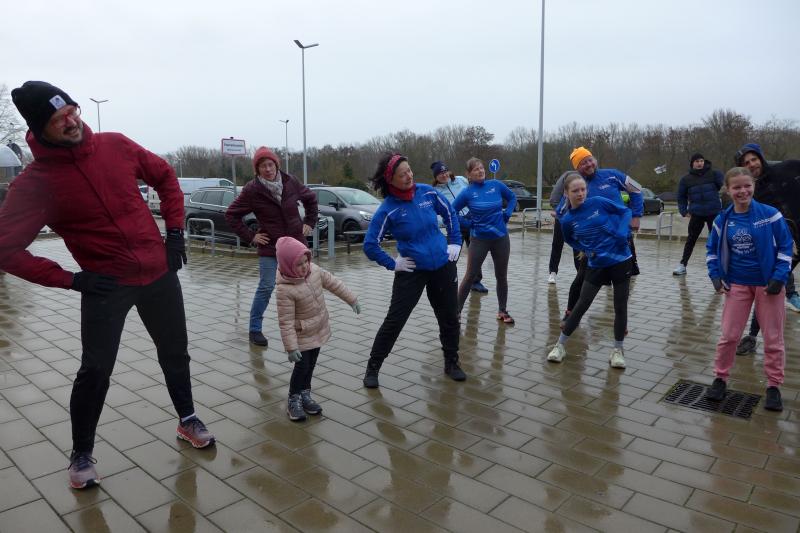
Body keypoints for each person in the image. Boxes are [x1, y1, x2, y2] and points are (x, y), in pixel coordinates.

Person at [0, 81, 215, 489]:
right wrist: (70, 279)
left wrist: (174, 233)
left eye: (72, 111)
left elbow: (165, 176)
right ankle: (81, 454)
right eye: (59, 119)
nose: (72, 121)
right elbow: (6, 249)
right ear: (40, 128)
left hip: (158, 273)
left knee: (175, 352)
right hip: (105, 285)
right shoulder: (35, 184)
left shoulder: (115, 145)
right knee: (95, 370)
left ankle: (187, 419)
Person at [362, 152, 465, 388]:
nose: (409, 176)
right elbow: (370, 245)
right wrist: (393, 264)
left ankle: (452, 362)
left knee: (450, 316)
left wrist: (455, 242)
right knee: (395, 320)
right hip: (411, 270)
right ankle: (373, 367)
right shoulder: (388, 209)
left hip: (442, 265)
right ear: (391, 180)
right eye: (402, 174)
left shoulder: (427, 193)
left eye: (409, 170)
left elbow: (450, 213)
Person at [704, 167, 793, 411]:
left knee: (773, 339)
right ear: (728, 190)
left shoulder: (770, 214)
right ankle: (720, 378)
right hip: (737, 284)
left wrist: (779, 277)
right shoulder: (722, 219)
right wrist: (715, 275)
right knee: (729, 336)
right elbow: (711, 250)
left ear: (753, 186)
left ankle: (773, 385)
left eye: (747, 186)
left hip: (768, 285)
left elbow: (786, 246)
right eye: (737, 187)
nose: (743, 191)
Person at [225, 146, 318, 347]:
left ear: (276, 165)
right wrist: (251, 236)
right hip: (271, 247)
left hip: (295, 245)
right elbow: (231, 215)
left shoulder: (290, 181)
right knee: (266, 286)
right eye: (262, 166)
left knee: (304, 284)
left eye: (270, 164)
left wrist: (310, 222)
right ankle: (255, 329)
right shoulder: (252, 190)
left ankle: (304, 325)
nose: (267, 169)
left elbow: (311, 199)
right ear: (257, 170)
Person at [546, 172, 633, 369]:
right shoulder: (567, 220)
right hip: (596, 264)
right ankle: (560, 346)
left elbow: (625, 212)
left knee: (620, 306)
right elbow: (570, 239)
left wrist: (622, 232)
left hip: (621, 260)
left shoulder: (599, 202)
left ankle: (617, 350)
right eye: (575, 191)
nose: (580, 194)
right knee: (581, 305)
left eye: (583, 189)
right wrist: (585, 249)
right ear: (566, 193)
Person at [274, 236, 360, 421]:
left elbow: (334, 284)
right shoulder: (285, 289)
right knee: (302, 366)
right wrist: (291, 348)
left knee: (311, 364)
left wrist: (352, 299)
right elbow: (285, 322)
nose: (304, 266)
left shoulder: (315, 271)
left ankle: (305, 393)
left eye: (306, 261)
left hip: (318, 328)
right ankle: (294, 398)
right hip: (302, 334)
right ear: (288, 266)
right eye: (299, 264)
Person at [559, 147, 643, 326]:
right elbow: (563, 210)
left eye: (590, 159)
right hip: (593, 245)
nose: (589, 164)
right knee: (582, 279)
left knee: (623, 280)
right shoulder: (577, 185)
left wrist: (636, 215)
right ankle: (570, 313)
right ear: (577, 168)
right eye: (583, 163)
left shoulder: (612, 175)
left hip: (620, 239)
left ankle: (620, 320)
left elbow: (637, 189)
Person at [733, 143, 800, 354]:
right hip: (786, 246)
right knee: (768, 288)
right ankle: (752, 336)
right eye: (746, 163)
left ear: (761, 158)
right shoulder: (752, 191)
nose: (752, 164)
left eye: (754, 159)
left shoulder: (788, 168)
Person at [452, 157, 517, 324]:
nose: (480, 171)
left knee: (501, 276)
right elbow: (452, 212)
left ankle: (502, 311)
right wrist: (468, 224)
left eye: (481, 168)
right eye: (476, 169)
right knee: (470, 276)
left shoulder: (496, 185)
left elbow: (512, 198)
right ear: (469, 175)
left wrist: (508, 213)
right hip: (479, 240)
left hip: (501, 238)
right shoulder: (467, 192)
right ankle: (455, 312)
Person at [431, 160, 487, 293]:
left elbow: (473, 191)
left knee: (476, 254)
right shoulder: (434, 192)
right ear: (436, 177)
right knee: (451, 255)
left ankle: (476, 282)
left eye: (445, 171)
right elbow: (435, 213)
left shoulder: (461, 180)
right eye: (440, 173)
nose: (444, 175)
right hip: (454, 225)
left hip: (471, 220)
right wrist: (445, 221)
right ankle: (446, 281)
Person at [673, 153, 724, 276]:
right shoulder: (686, 179)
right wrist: (684, 211)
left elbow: (725, 189)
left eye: (701, 160)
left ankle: (722, 266)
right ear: (692, 163)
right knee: (691, 240)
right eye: (697, 161)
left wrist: (725, 208)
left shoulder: (714, 174)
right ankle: (683, 265)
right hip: (696, 213)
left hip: (714, 212)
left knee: (719, 239)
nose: (700, 163)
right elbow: (681, 197)